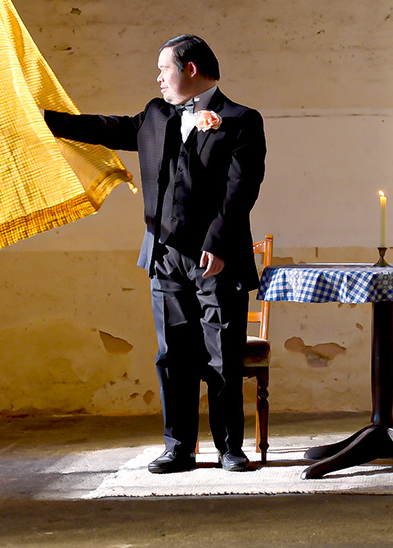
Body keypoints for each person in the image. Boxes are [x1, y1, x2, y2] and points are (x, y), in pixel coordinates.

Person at [44, 34, 266, 472]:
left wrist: (218, 244)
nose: (158, 77)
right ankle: (178, 447)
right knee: (173, 354)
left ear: (190, 69)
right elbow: (106, 128)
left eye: (164, 68)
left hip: (215, 258)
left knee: (223, 352)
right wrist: (47, 120)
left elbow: (241, 189)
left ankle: (229, 448)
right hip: (163, 255)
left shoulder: (241, 120)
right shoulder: (153, 115)